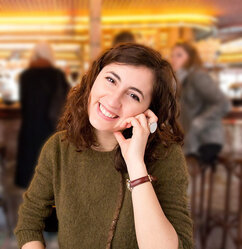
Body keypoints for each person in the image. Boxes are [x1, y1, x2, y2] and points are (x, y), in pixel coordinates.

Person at [14, 43, 193, 249]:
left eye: (133, 95)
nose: (113, 100)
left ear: (148, 111)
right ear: (93, 79)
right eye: (110, 80)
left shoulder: (166, 156)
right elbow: (29, 221)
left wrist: (136, 165)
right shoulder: (58, 148)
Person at [15, 42, 70, 188]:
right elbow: (67, 101)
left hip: (29, 128)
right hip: (50, 127)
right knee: (49, 164)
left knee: (29, 169)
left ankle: (31, 200)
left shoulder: (25, 76)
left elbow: (24, 103)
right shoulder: (57, 75)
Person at [171, 42, 231, 165]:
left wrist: (199, 122)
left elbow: (223, 103)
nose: (173, 59)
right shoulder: (180, 79)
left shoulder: (198, 76)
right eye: (172, 55)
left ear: (190, 57)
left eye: (179, 55)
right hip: (191, 141)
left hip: (206, 141)